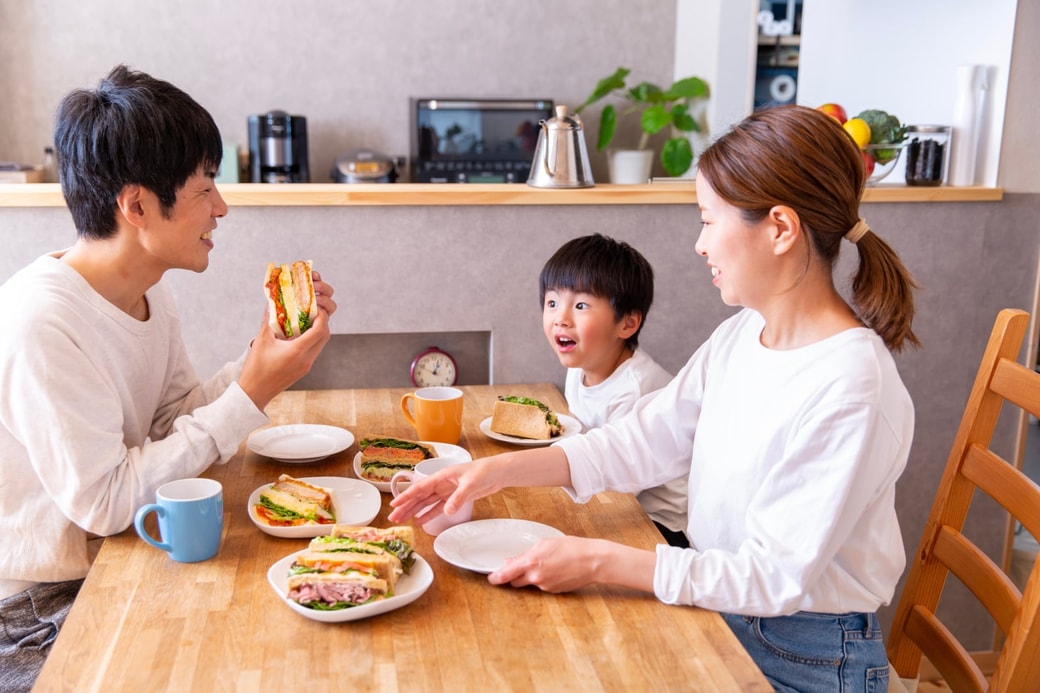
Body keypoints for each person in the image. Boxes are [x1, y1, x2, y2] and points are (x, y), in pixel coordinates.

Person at [391, 104, 919, 691]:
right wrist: (493, 473)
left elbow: (772, 577)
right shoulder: (745, 333)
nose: (699, 245)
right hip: (721, 606)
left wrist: (598, 560)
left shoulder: (851, 388)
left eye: (708, 220)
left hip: (804, 655)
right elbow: (646, 440)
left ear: (779, 229)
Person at [0, 65, 336, 691]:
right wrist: (251, 391)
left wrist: (264, 359)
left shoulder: (148, 291)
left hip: (119, 558)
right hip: (41, 611)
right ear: (136, 205)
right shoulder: (41, 323)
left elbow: (169, 422)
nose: (222, 206)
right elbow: (105, 503)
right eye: (205, 187)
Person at [539, 233, 686, 547]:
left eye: (580, 305)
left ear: (627, 324)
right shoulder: (579, 367)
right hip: (617, 503)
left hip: (660, 528)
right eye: (552, 302)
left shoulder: (637, 389)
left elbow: (614, 489)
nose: (560, 319)